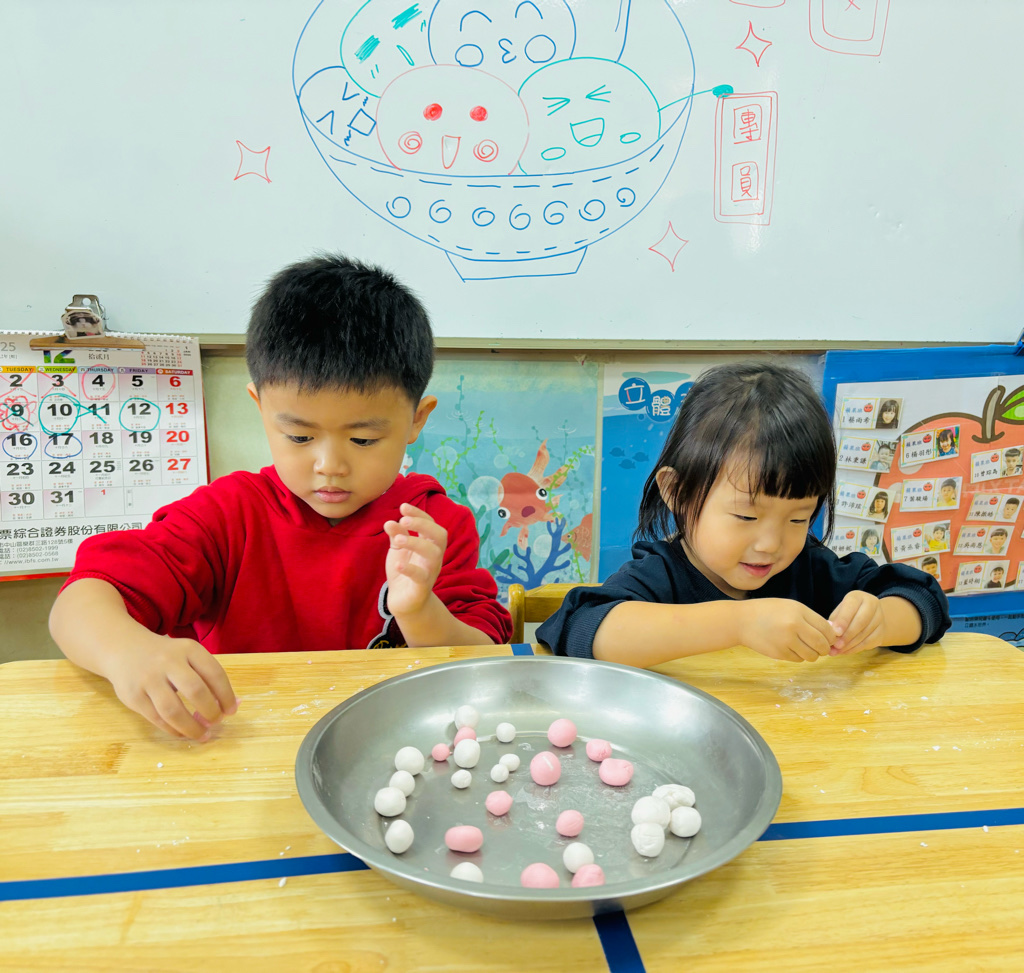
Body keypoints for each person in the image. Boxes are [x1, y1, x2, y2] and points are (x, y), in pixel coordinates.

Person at [49, 254, 512, 741]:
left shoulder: (430, 524)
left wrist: (419, 611)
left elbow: (481, 658)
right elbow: (82, 600)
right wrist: (127, 651)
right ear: (261, 407)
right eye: (299, 437)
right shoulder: (227, 514)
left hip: (388, 744)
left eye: (363, 440)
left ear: (417, 419)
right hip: (245, 741)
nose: (329, 465)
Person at [537, 362, 950, 667]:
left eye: (798, 518)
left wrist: (880, 620)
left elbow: (925, 599)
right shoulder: (660, 576)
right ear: (677, 492)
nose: (771, 544)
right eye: (746, 517)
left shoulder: (812, 570)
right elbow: (580, 628)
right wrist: (739, 623)